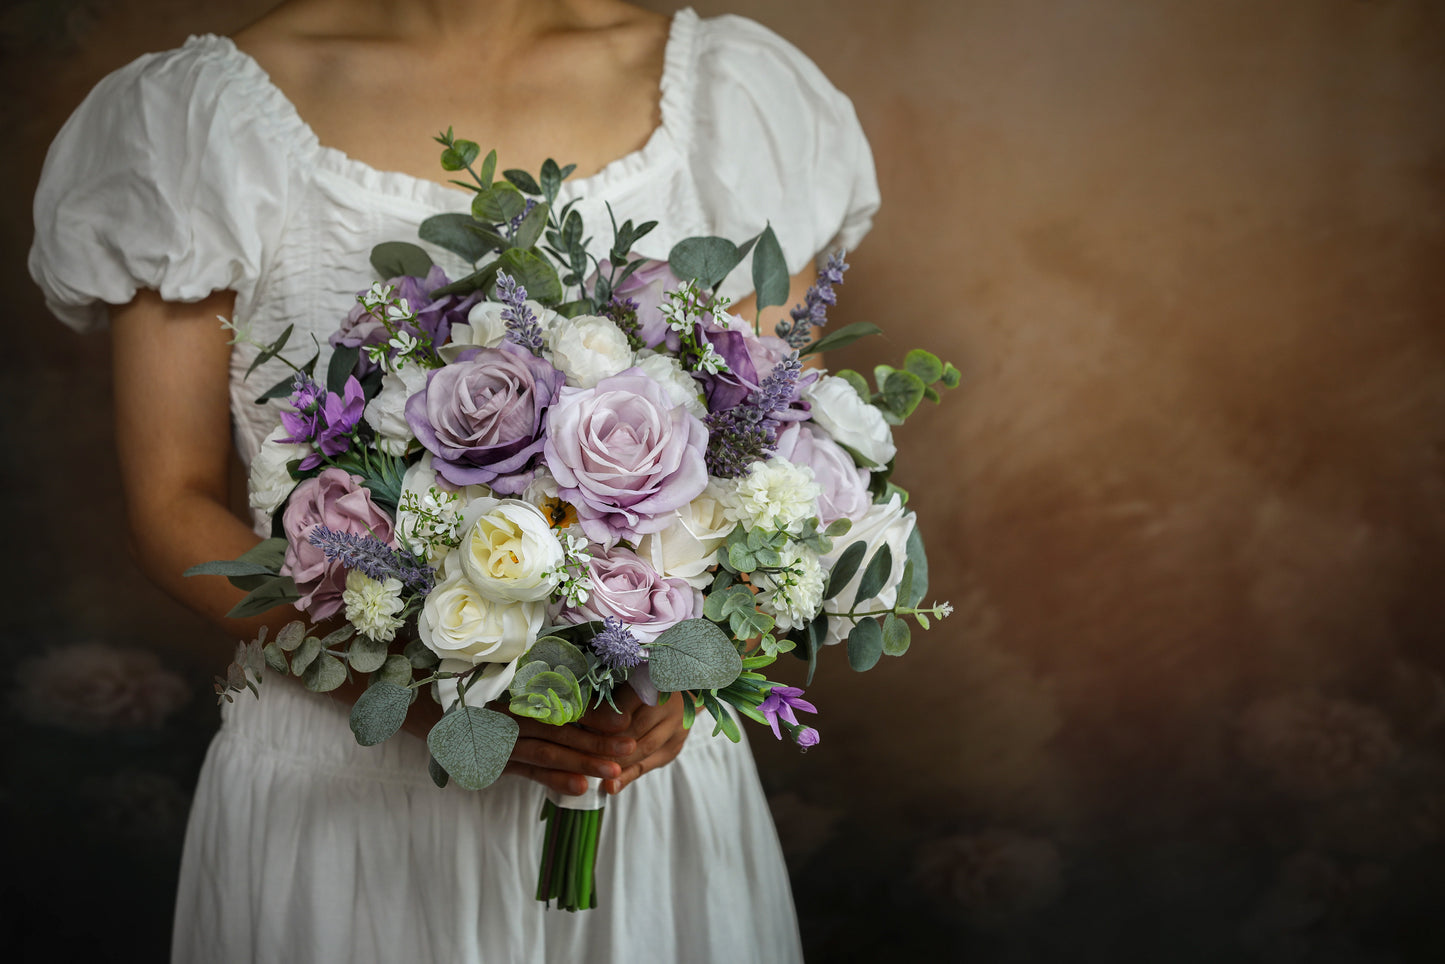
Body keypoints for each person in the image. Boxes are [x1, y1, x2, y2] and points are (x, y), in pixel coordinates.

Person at [29, 1, 879, 960]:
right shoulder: (193, 122)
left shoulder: (740, 100)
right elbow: (169, 504)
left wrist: (691, 668)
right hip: (344, 791)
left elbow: (779, 465)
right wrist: (422, 694)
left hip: (633, 777)